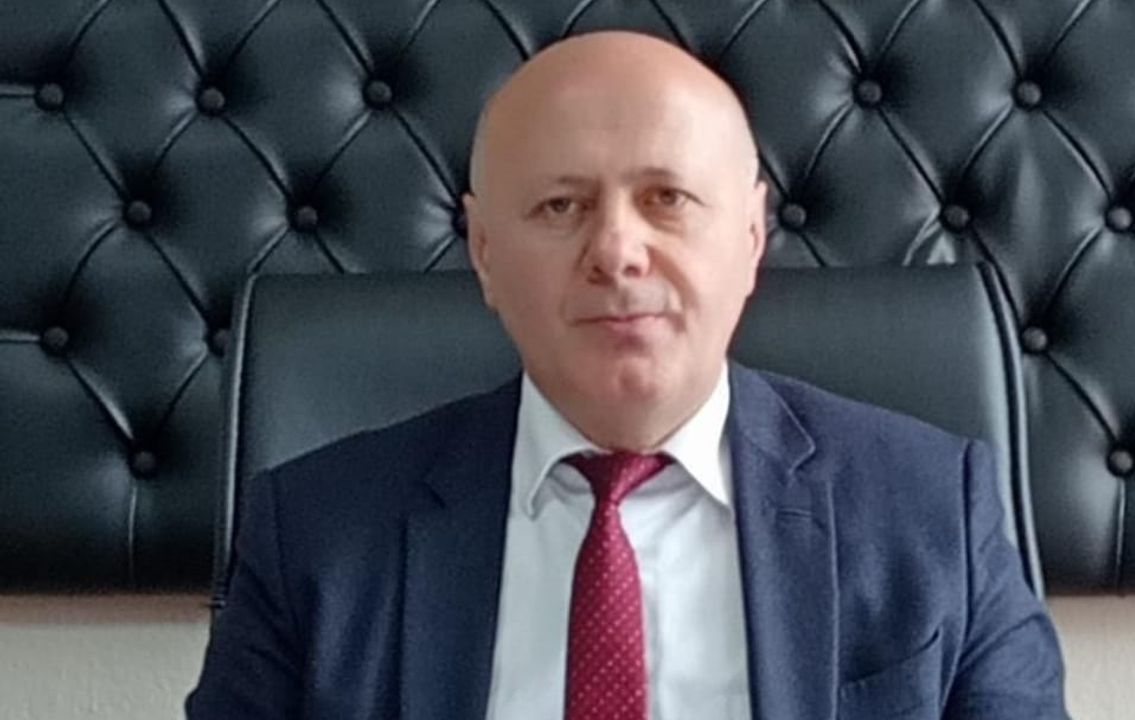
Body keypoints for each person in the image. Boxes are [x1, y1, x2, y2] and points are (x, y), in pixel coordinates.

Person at [187, 30, 1066, 720]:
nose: (615, 250)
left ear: (750, 237)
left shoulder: (932, 510)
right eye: (560, 206)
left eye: (666, 199)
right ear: (484, 251)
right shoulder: (315, 534)